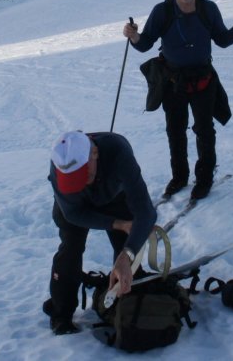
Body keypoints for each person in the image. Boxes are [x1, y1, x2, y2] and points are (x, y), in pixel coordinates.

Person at [122, 0, 233, 200]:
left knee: (204, 130)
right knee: (175, 131)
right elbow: (145, 43)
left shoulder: (208, 9)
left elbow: (221, 39)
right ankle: (179, 177)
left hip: (203, 79)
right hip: (173, 81)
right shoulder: (162, 11)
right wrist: (134, 36)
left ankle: (204, 179)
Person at [44, 130, 157, 335]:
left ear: (94, 153)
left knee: (129, 246)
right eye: (73, 179)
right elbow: (73, 213)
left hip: (114, 197)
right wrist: (115, 223)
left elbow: (146, 212)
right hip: (74, 206)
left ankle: (126, 294)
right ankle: (61, 313)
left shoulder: (118, 152)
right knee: (70, 248)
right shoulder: (59, 162)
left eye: (85, 175)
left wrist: (127, 253)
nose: (83, 183)